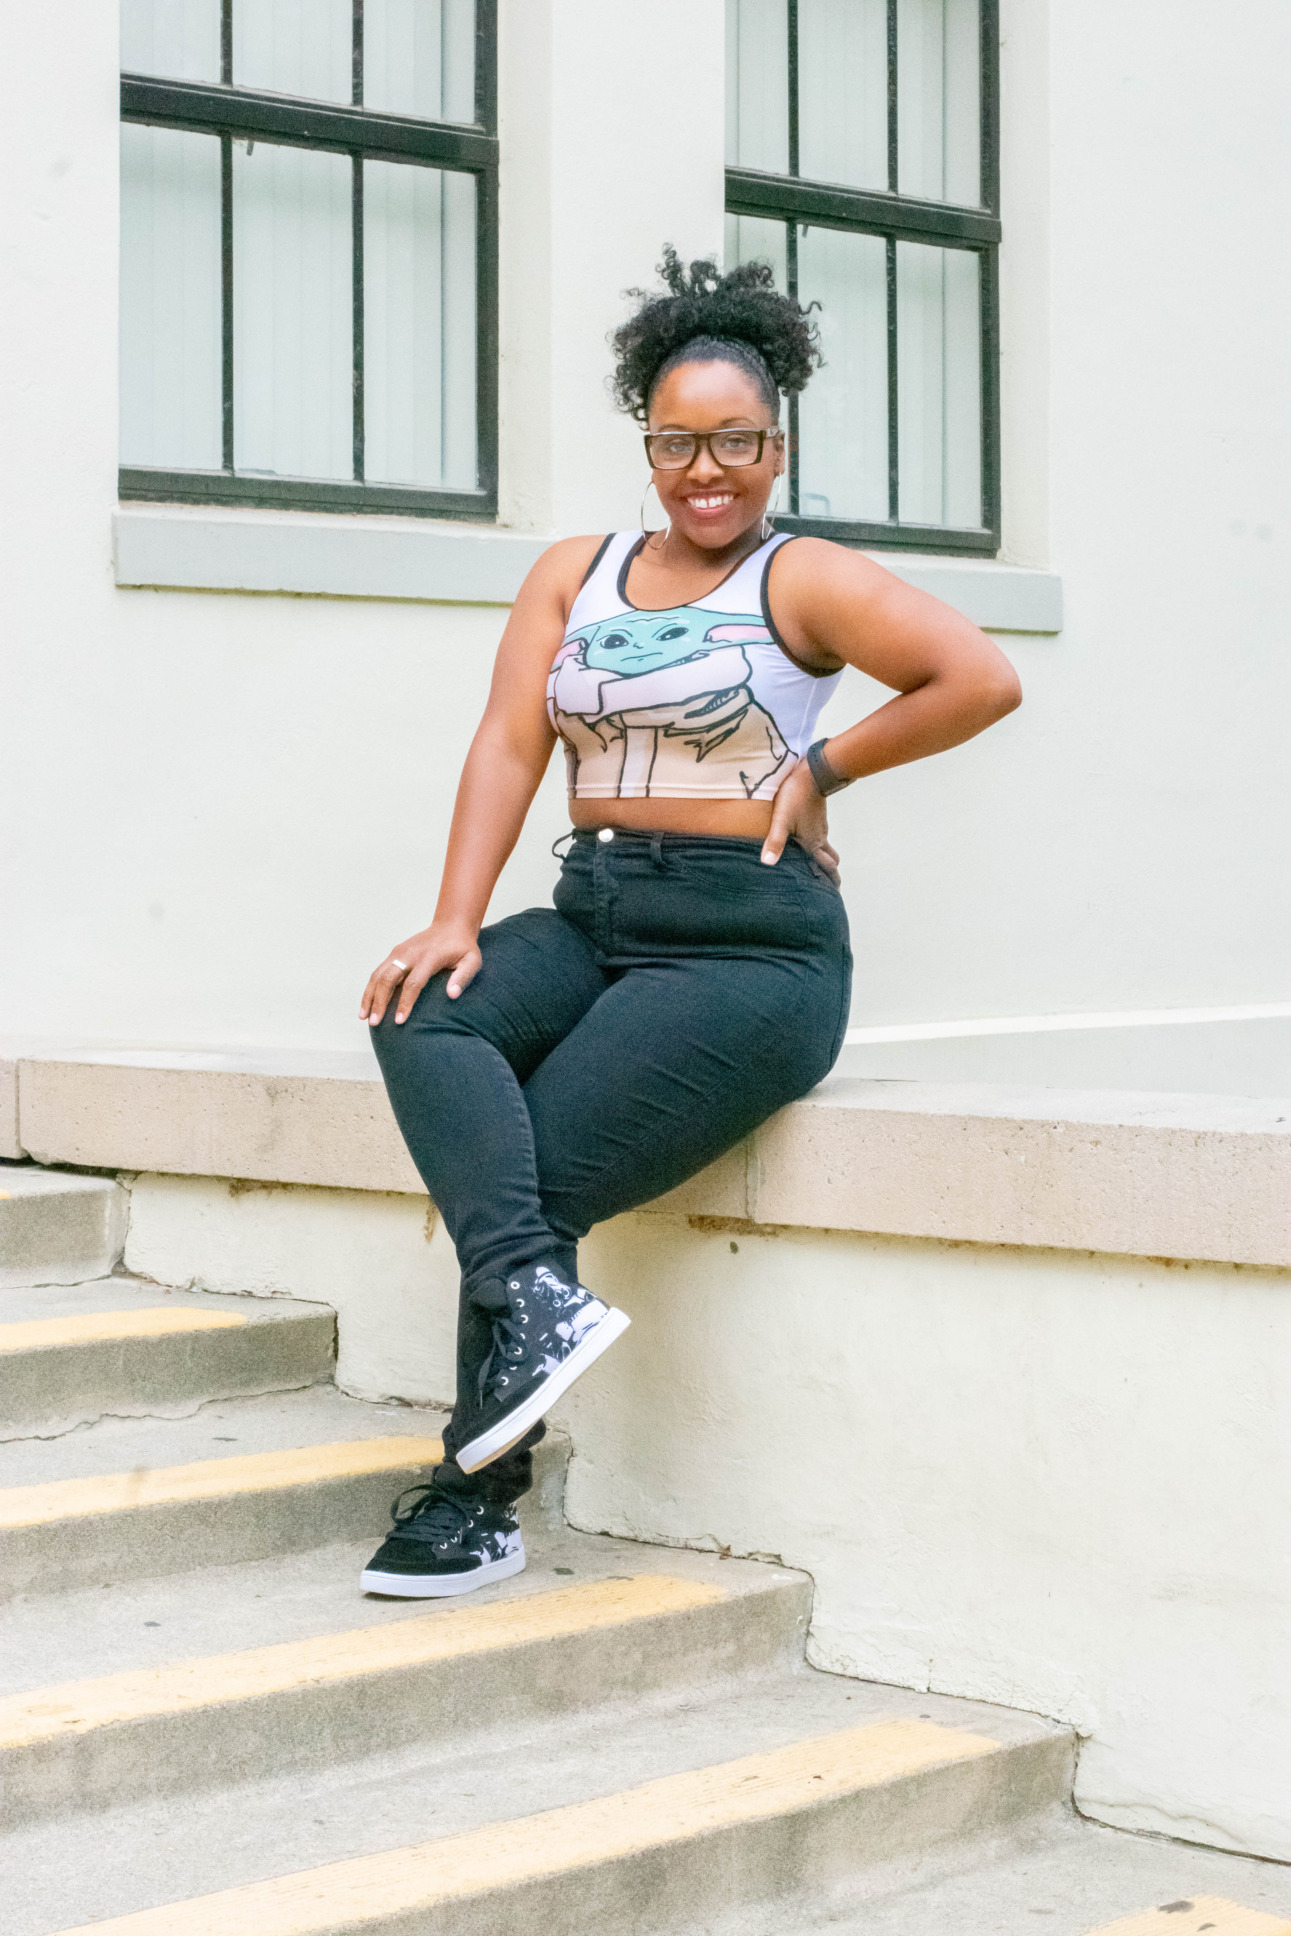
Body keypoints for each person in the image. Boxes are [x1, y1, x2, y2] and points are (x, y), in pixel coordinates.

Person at [357, 248, 1021, 1597]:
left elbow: (981, 676)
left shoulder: (806, 579)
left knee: (523, 1170)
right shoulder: (575, 573)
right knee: (422, 1008)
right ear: (645, 442)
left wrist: (821, 767)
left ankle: (473, 1496)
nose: (705, 469)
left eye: (735, 441)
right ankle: (538, 1312)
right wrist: (455, 917)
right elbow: (507, 744)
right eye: (676, 441)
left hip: (750, 945)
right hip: (599, 906)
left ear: (776, 444)